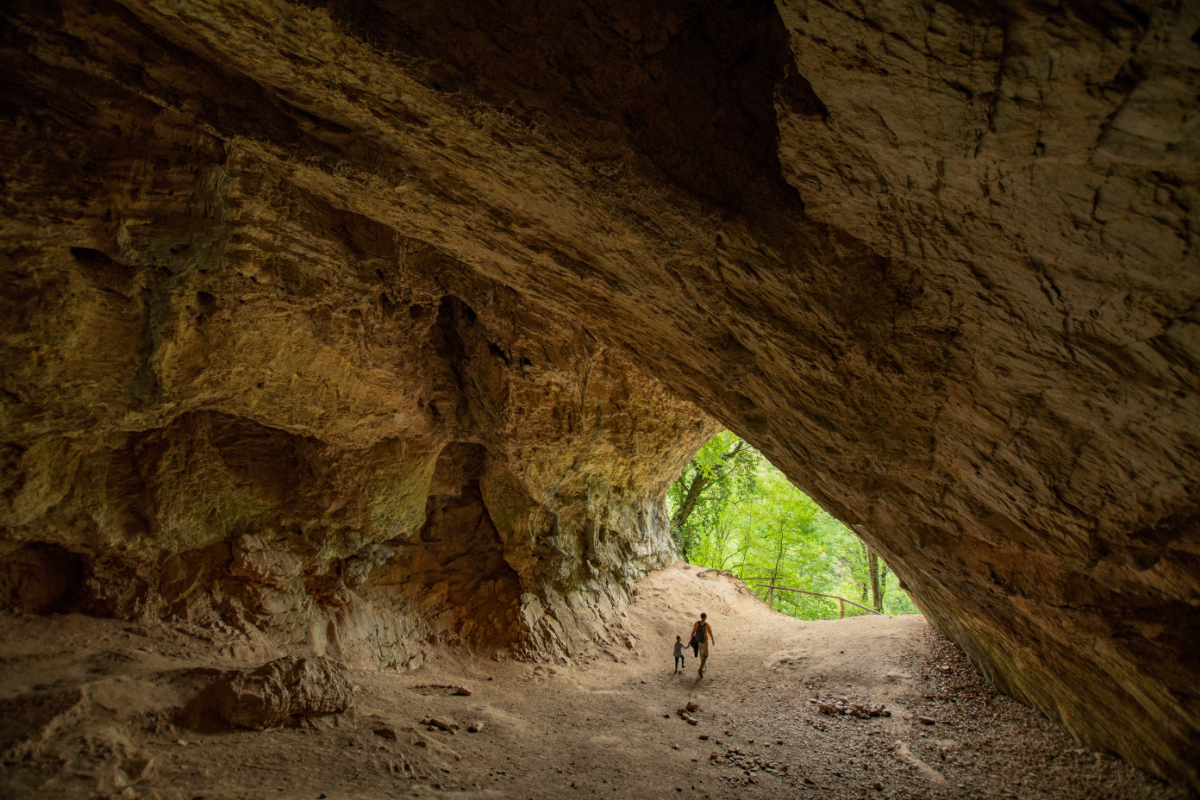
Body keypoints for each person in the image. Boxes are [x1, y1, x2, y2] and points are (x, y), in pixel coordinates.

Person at [690, 613, 714, 678]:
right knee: (706, 655)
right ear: (705, 618)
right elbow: (710, 633)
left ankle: (703, 666)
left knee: (701, 654)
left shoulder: (697, 623)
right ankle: (701, 669)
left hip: (698, 641)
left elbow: (693, 632)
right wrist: (712, 640)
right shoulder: (707, 625)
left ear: (701, 617)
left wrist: (690, 640)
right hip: (704, 641)